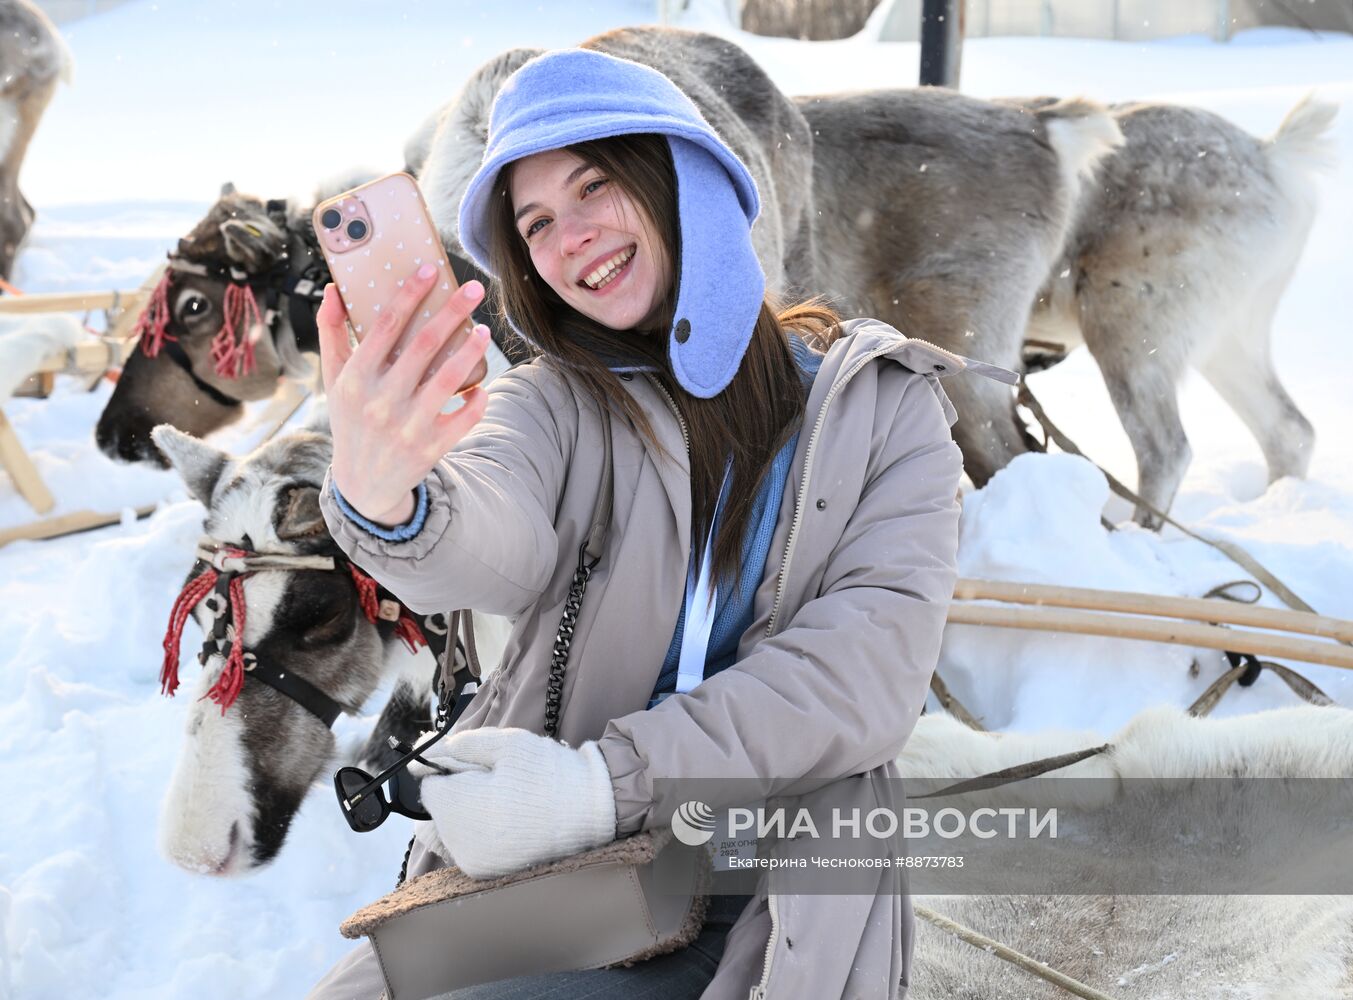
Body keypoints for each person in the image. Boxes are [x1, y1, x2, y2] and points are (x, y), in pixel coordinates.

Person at [310, 46, 992, 1000]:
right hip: (579, 876)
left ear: (684, 178)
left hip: (776, 889)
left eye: (595, 184)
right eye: (535, 222)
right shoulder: (555, 406)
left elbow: (861, 671)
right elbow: (490, 531)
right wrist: (393, 502)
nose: (570, 235)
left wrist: (601, 787)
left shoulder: (885, 409)